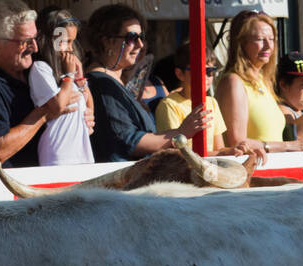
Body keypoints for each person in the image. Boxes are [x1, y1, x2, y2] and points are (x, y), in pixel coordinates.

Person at [85, 4, 204, 163]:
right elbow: (130, 141)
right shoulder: (102, 83)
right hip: (121, 181)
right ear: (106, 42)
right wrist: (181, 132)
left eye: (142, 37)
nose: (140, 45)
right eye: (132, 38)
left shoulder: (110, 81)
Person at [0, 0, 78, 167]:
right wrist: (45, 112)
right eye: (24, 41)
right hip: (8, 188)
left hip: (48, 182)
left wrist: (82, 117)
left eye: (35, 38)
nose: (34, 47)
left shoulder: (37, 70)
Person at [216, 10, 303, 157]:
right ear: (241, 43)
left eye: (271, 39)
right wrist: (289, 146)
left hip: (274, 172)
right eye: (260, 39)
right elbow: (238, 144)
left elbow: (274, 138)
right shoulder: (234, 82)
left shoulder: (263, 81)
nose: (268, 46)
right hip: (251, 174)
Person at [28, 7, 93, 166]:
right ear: (51, 40)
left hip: (82, 153)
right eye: (66, 42)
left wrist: (80, 79)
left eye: (73, 41)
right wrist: (69, 77)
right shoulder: (40, 68)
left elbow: (89, 107)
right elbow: (57, 107)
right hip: (58, 154)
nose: (70, 48)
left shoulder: (68, 76)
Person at [155, 41, 230, 153]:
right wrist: (219, 154)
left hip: (209, 167)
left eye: (210, 71)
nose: (205, 77)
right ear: (180, 74)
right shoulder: (169, 105)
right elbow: (176, 153)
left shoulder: (212, 102)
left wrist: (236, 150)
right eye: (198, 71)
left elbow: (219, 148)